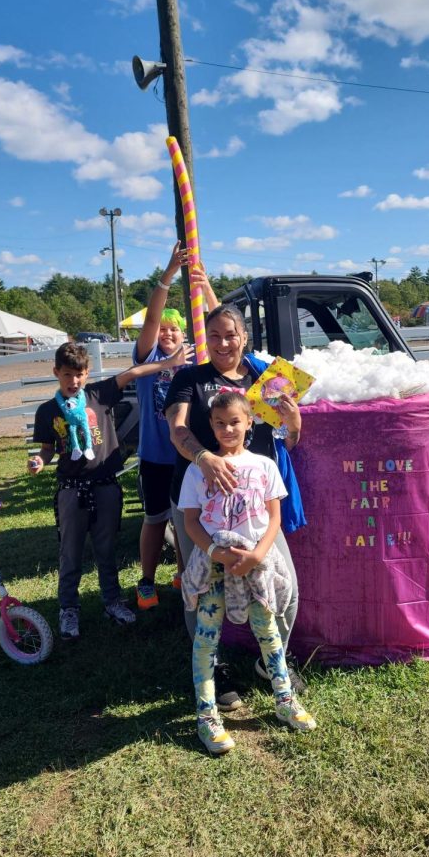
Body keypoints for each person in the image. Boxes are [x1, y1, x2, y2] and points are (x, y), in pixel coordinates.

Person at [165, 303, 305, 709]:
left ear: (244, 337)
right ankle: (214, 665)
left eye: (231, 335)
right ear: (205, 340)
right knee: (201, 589)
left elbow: (288, 439)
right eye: (215, 336)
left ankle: (271, 660)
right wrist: (202, 457)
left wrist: (294, 422)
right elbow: (177, 427)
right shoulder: (190, 378)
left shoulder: (269, 376)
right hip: (199, 504)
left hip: (255, 507)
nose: (223, 343)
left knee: (286, 586)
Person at [178, 392, 316, 754]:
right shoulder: (197, 471)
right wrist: (215, 552)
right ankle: (207, 714)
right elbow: (191, 522)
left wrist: (256, 554)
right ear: (210, 425)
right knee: (207, 638)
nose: (227, 429)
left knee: (269, 632)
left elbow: (273, 518)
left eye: (234, 422)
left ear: (249, 421)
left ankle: (285, 700)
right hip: (213, 568)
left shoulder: (265, 466)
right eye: (220, 423)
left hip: (256, 567)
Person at [29, 341, 167, 641]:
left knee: (106, 549)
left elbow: (132, 374)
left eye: (79, 374)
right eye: (67, 374)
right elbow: (48, 448)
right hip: (71, 489)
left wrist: (166, 364)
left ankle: (112, 601)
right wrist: (41, 460)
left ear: (87, 373)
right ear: (56, 373)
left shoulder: (98, 395)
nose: (73, 381)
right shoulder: (47, 411)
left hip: (105, 486)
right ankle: (68, 608)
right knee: (71, 553)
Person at [133, 242, 219, 610]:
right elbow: (150, 320)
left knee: (188, 520)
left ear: (185, 335)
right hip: (155, 456)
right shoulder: (148, 359)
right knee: (155, 519)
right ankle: (147, 580)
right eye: (162, 329)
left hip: (190, 457)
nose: (166, 333)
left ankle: (185, 576)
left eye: (174, 329)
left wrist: (205, 286)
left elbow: (223, 328)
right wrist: (168, 275)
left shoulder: (196, 365)